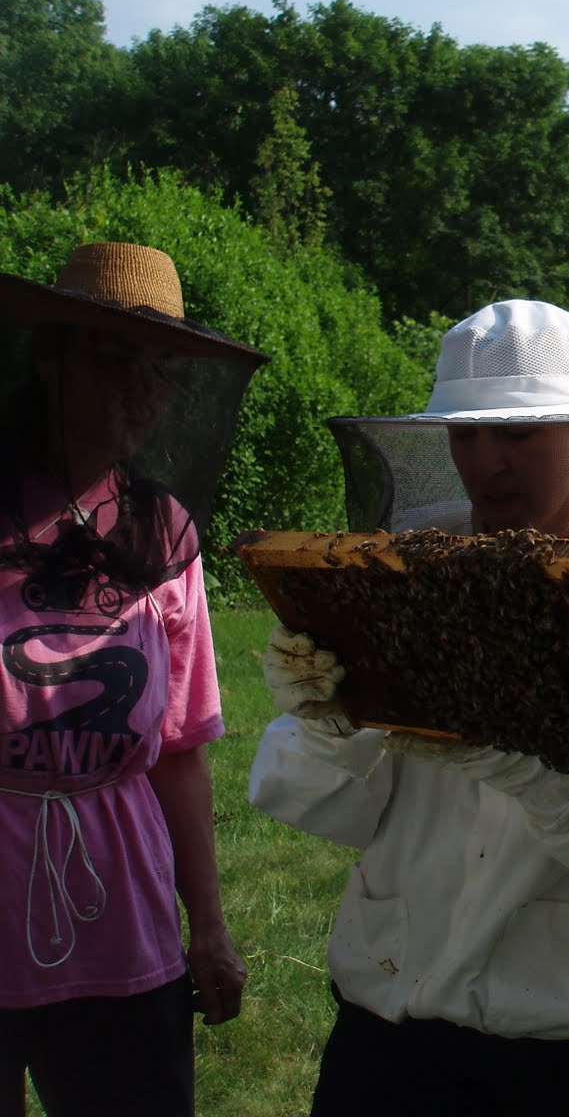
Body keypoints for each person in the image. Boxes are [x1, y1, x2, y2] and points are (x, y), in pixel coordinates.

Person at [247, 299, 569, 1116]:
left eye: (516, 436)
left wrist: (555, 786)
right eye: (466, 436)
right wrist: (327, 722)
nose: (487, 463)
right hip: (392, 1033)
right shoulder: (404, 574)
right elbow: (319, 807)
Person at [0, 243, 264, 1115]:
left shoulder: (161, 530)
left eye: (161, 371)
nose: (144, 394)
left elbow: (180, 749)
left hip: (124, 914)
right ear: (50, 358)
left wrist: (211, 929)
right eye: (118, 363)